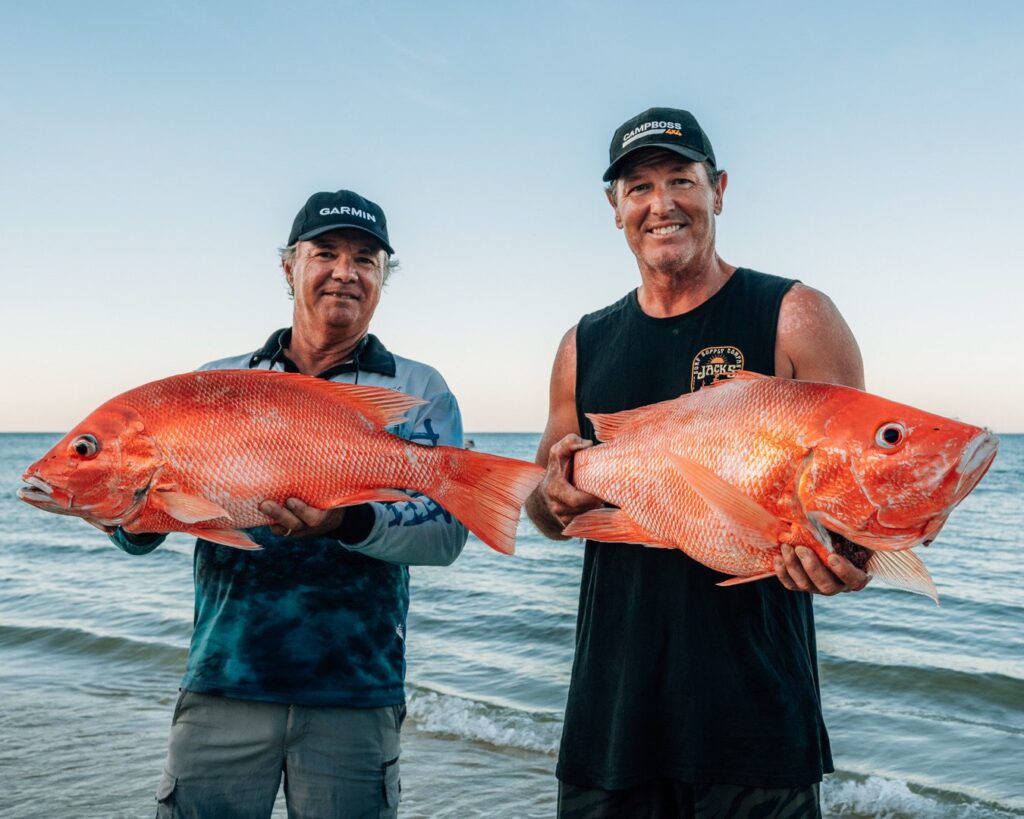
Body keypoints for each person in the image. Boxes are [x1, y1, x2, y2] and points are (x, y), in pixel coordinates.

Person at [526, 108, 870, 818]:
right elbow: (544, 509)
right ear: (614, 207)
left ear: (717, 188)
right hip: (611, 720)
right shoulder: (581, 343)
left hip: (756, 724)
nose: (661, 204)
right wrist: (554, 495)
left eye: (680, 179)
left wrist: (850, 560)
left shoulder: (793, 315)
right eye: (639, 186)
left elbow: (856, 488)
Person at [111, 189, 468, 818]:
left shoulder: (417, 390)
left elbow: (444, 536)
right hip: (226, 680)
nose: (344, 271)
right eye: (324, 252)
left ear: (384, 275)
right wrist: (129, 508)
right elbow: (147, 524)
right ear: (288, 267)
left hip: (356, 691)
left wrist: (346, 521)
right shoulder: (218, 382)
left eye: (365, 258)